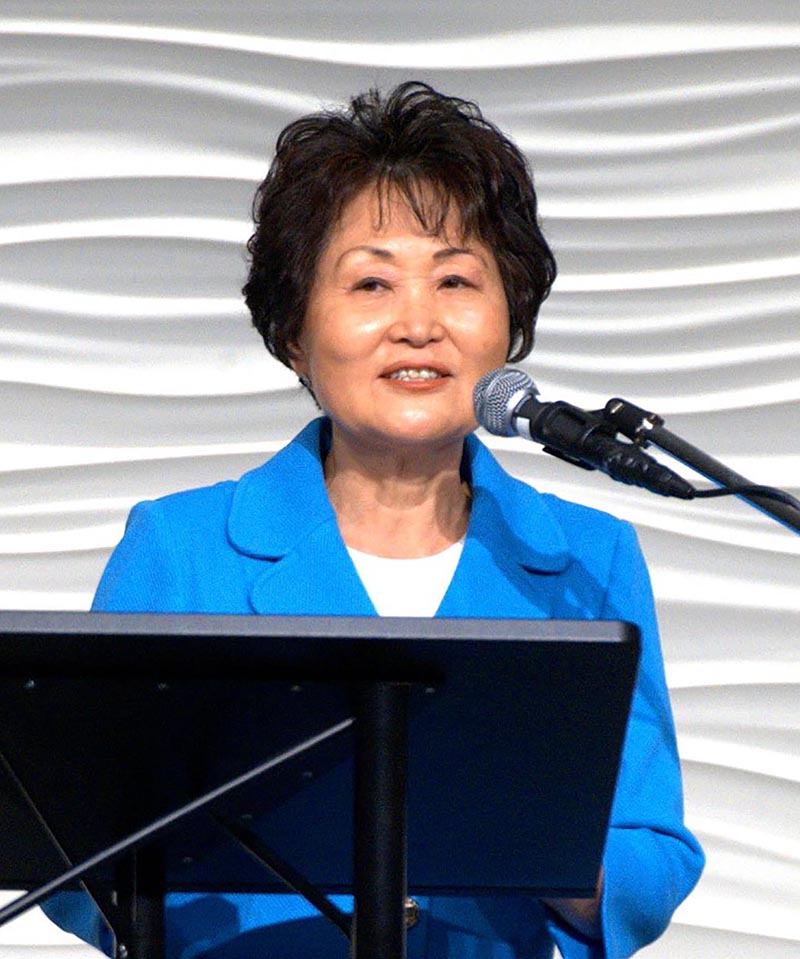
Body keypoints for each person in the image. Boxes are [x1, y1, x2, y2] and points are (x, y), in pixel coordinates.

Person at [43, 81, 703, 958]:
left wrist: (521, 833)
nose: (419, 323)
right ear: (293, 331)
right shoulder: (179, 549)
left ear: (510, 321)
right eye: (371, 282)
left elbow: (650, 856)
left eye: (459, 279)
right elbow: (77, 865)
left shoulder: (587, 558)